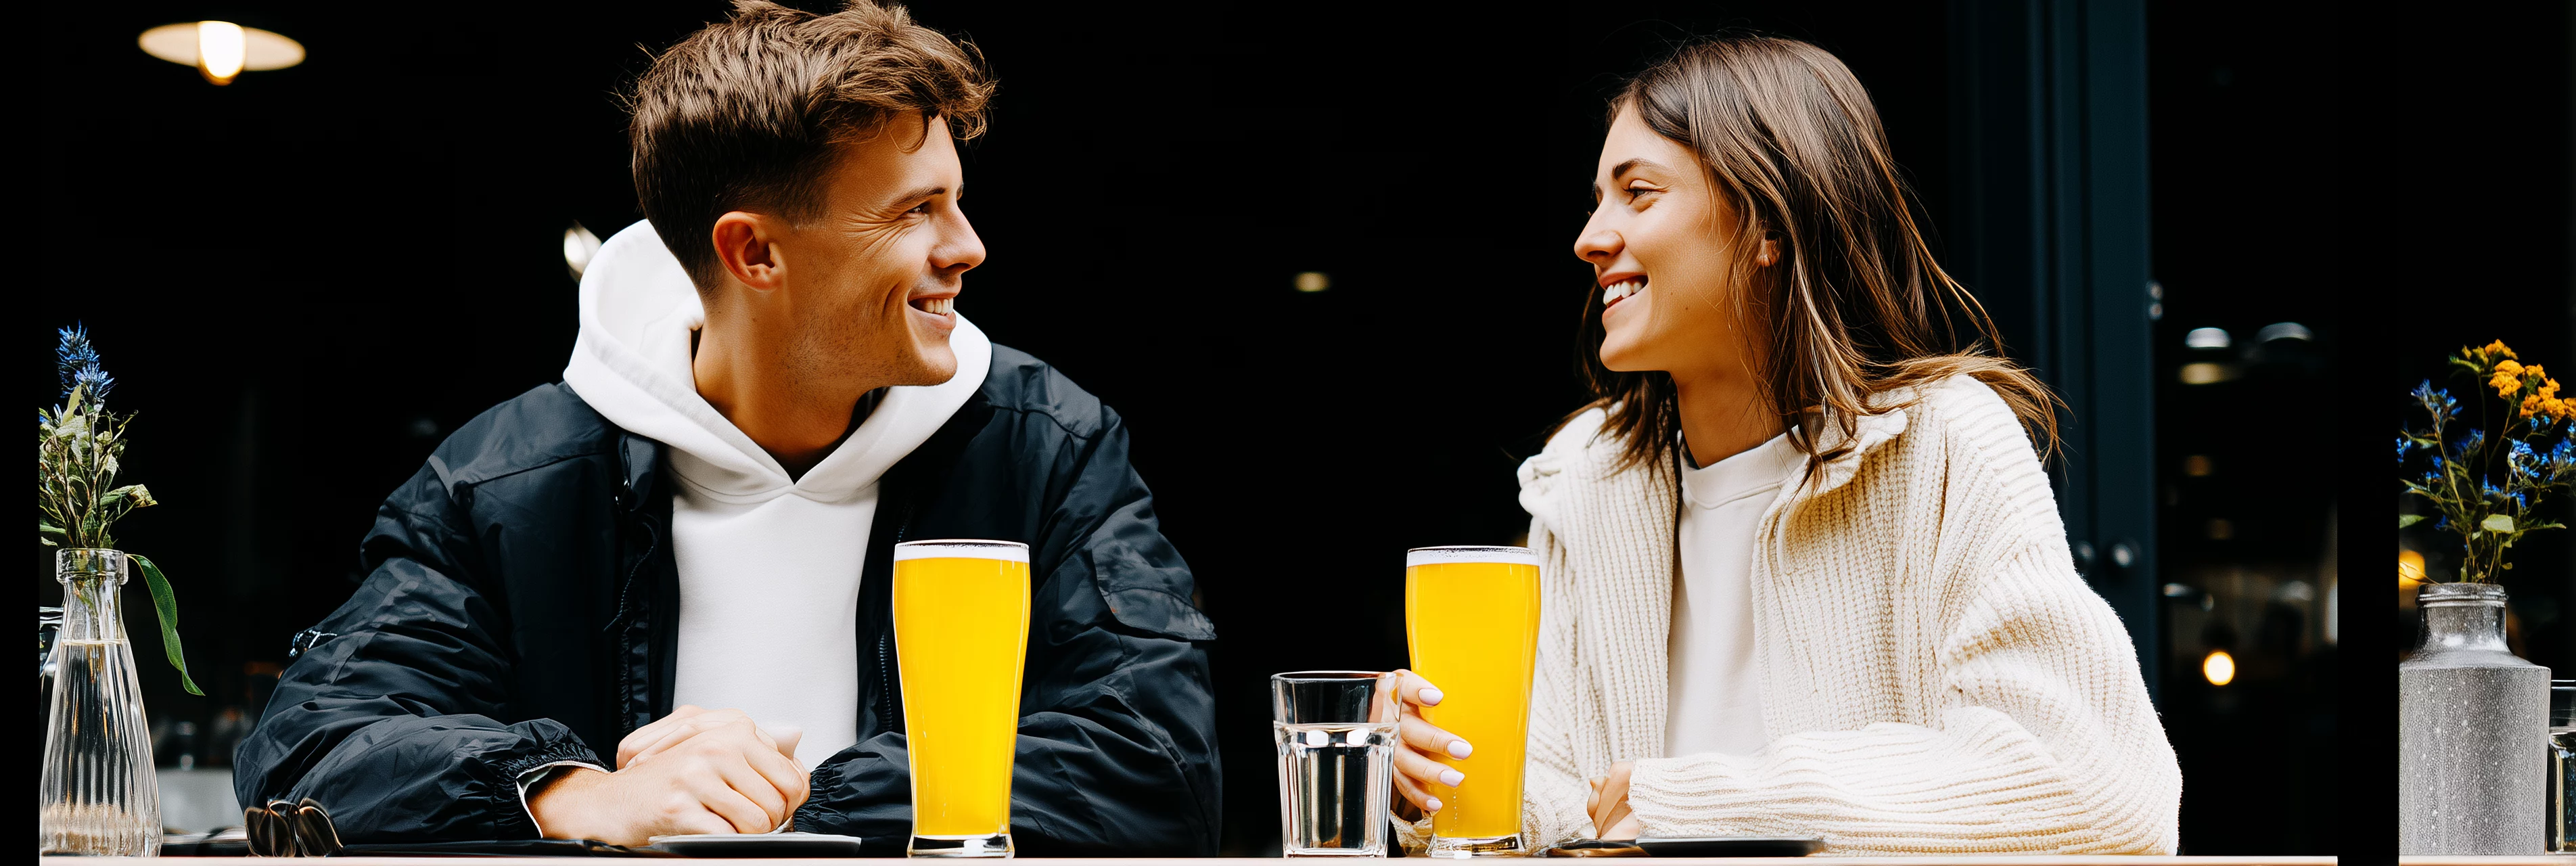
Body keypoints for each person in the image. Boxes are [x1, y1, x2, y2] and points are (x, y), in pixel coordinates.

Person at [233, 1, 1220, 854]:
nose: (968, 246)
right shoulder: (506, 483)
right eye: (916, 210)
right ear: (753, 254)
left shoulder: (1048, 448)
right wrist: (582, 795)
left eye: (955, 201)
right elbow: (308, 750)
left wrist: (790, 802)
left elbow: (1162, 765)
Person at [1380, 36, 2180, 854]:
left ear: (1767, 224)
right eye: (1596, 201)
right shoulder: (1585, 477)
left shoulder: (1942, 442)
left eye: (1638, 193)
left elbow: (2098, 788)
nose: (1590, 238)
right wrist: (1434, 778)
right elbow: (1554, 800)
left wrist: (1694, 801)